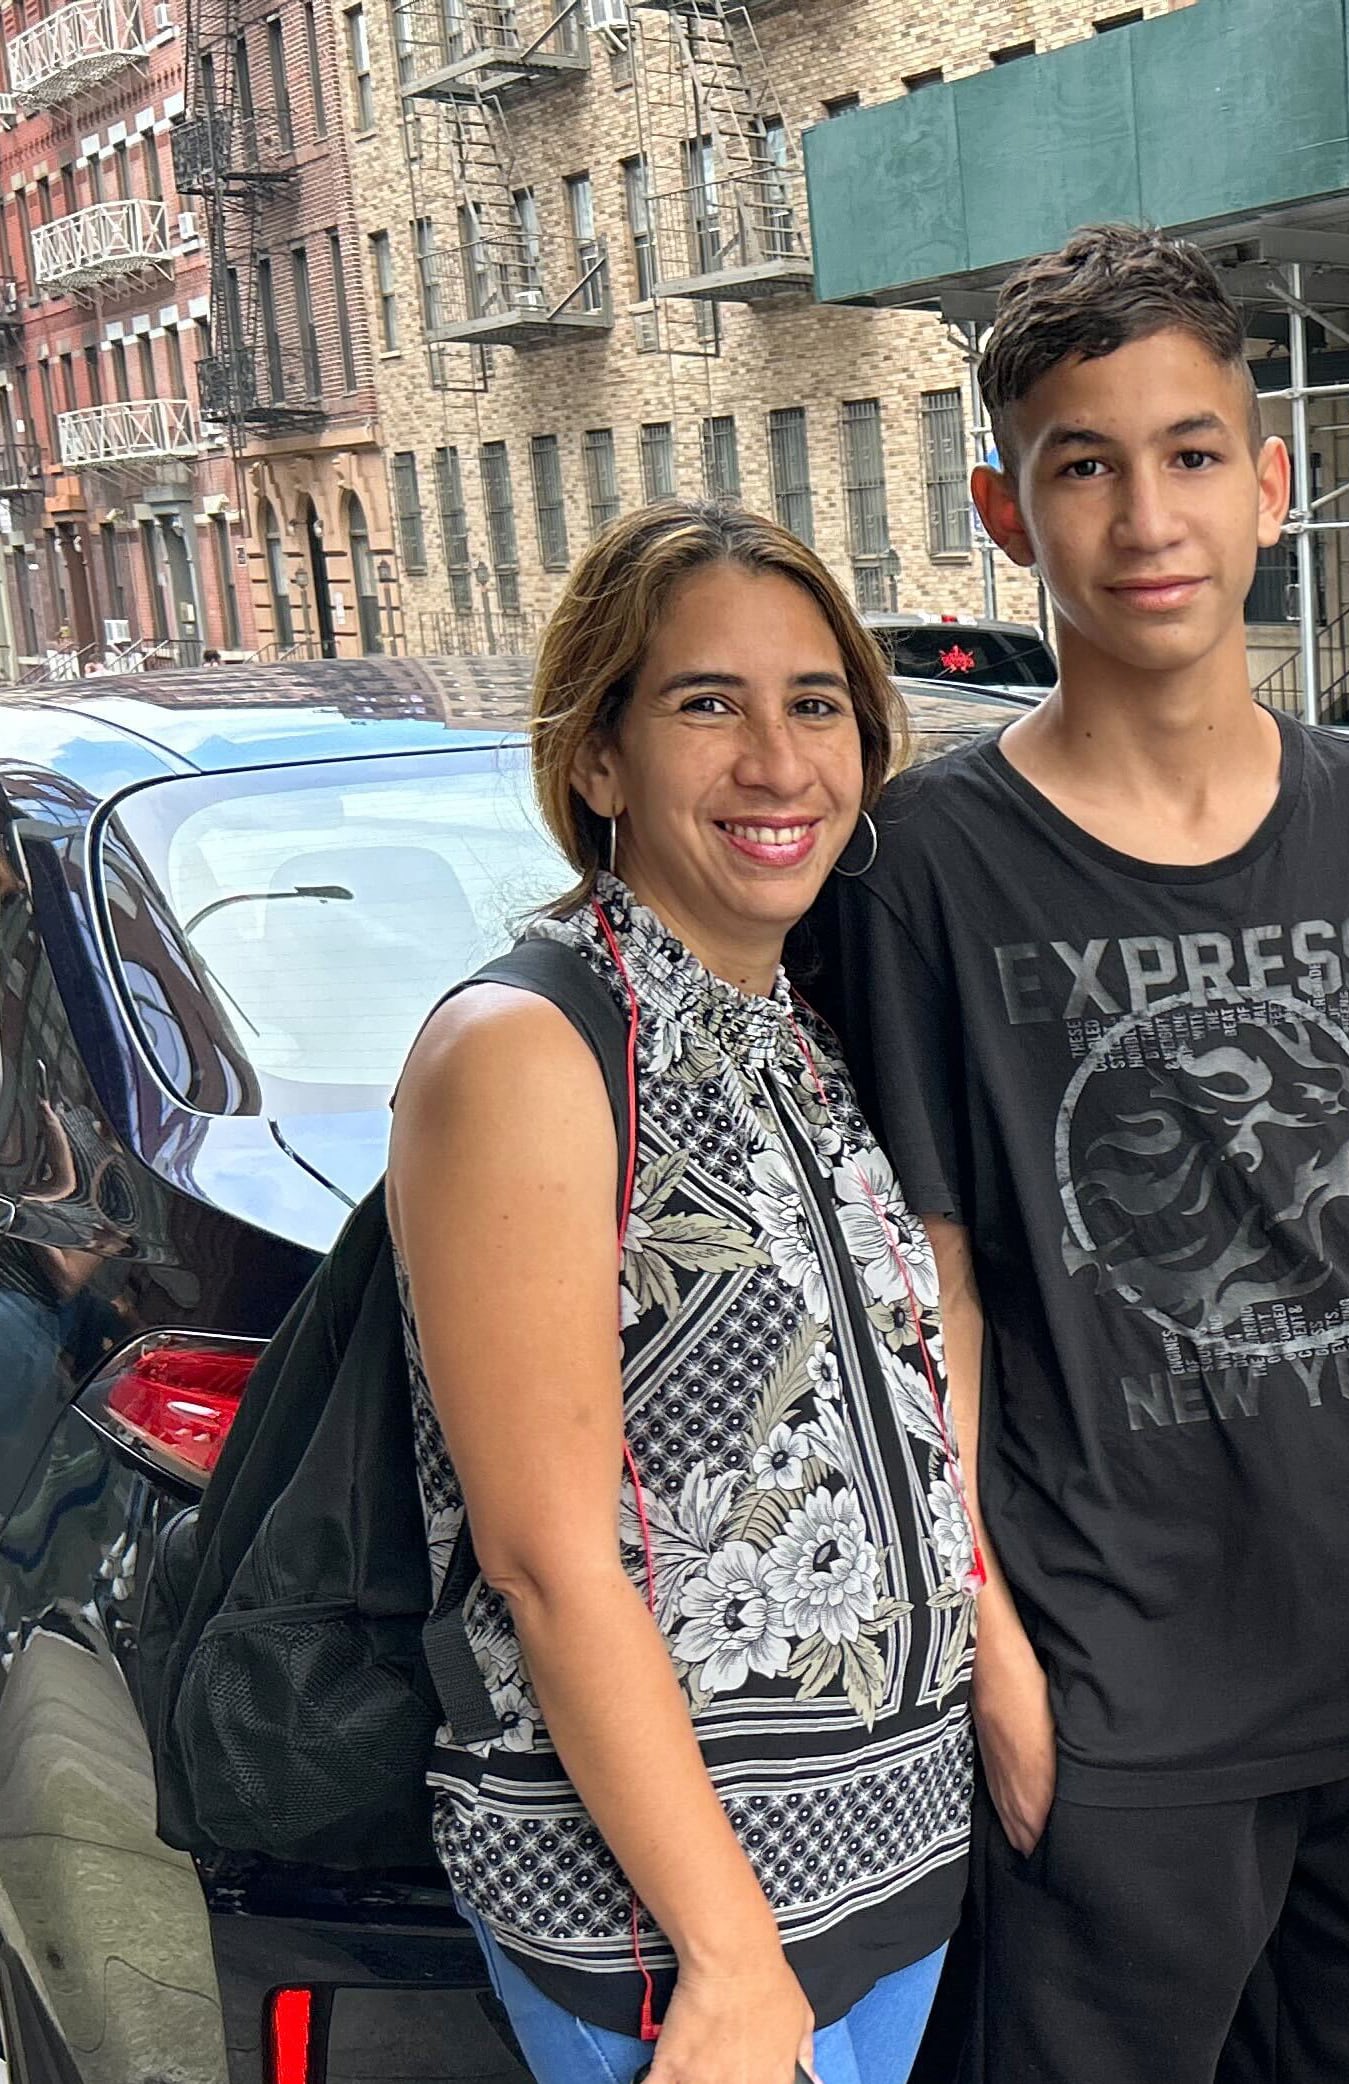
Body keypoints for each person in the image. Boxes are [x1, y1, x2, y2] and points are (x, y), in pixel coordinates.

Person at [797, 225, 1349, 2084]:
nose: (1145, 516)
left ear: (1270, 485)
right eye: (1082, 464)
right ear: (1002, 505)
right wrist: (1004, 1676)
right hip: (1111, 1690)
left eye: (1192, 453)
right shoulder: (920, 870)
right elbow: (926, 1297)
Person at [389, 501, 977, 2084]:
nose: (779, 761)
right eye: (707, 704)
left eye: (816, 704)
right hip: (674, 1932)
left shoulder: (789, 1022)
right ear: (598, 760)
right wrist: (725, 1956)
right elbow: (545, 1557)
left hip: (884, 1875)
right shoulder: (529, 1047)